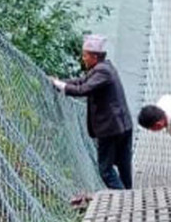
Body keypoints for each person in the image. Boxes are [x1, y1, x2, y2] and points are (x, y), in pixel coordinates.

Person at [50, 34, 133, 190]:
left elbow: (83, 89)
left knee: (105, 169)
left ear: (94, 56)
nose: (83, 59)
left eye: (85, 55)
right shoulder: (104, 68)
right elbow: (82, 81)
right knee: (123, 165)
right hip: (121, 125)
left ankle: (122, 197)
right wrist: (59, 81)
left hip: (111, 128)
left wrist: (60, 86)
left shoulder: (102, 72)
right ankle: (129, 196)